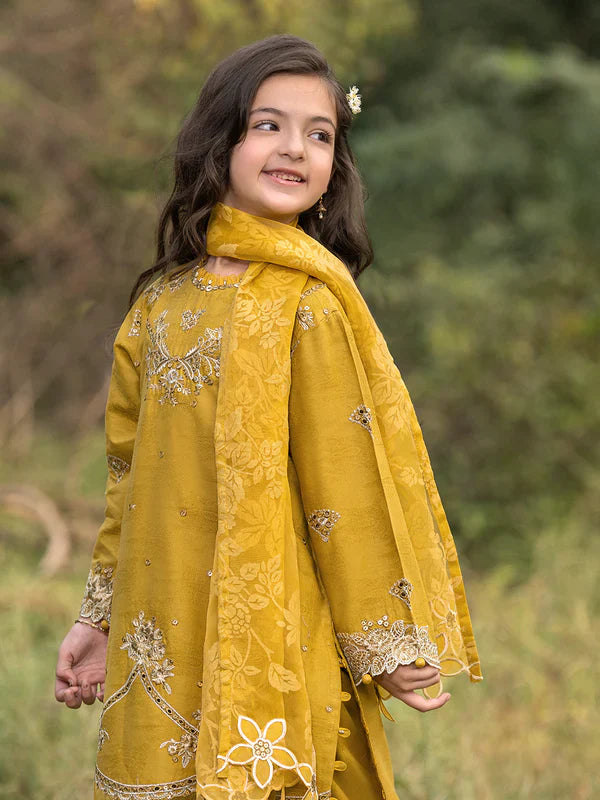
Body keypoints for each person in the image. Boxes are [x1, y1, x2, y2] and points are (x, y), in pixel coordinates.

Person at [55, 34, 482, 800]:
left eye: (319, 135)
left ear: (333, 169)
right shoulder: (157, 306)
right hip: (161, 636)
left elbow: (344, 490)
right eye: (268, 125)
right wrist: (99, 617)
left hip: (277, 637)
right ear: (218, 141)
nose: (294, 148)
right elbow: (128, 478)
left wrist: (384, 643)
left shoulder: (310, 304)